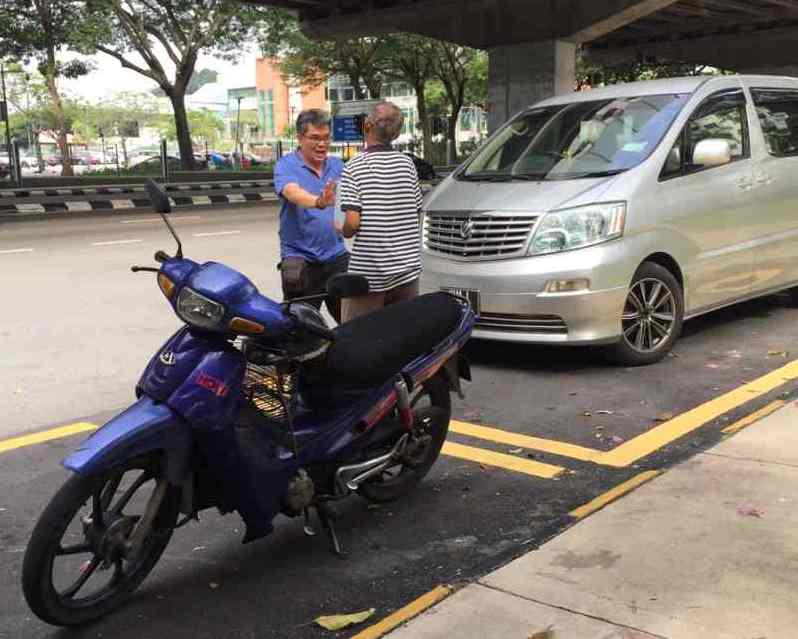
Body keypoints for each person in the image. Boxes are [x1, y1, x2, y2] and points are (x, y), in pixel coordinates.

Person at [338, 101, 424, 322]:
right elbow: (415, 213)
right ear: (396, 133)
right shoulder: (407, 164)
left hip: (369, 275)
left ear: (367, 125)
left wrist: (342, 229)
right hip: (407, 271)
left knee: (356, 337)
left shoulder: (354, 166)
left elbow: (352, 223)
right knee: (403, 337)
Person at [274, 109, 348, 323]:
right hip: (301, 261)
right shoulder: (286, 165)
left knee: (351, 322)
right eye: (315, 138)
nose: (322, 144)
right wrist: (319, 201)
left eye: (326, 138)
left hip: (337, 257)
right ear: (299, 138)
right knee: (299, 328)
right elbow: (291, 192)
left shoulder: (337, 166)